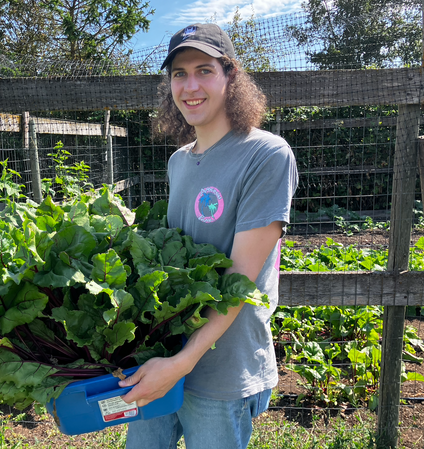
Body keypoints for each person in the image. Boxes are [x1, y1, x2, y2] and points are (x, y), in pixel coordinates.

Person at [119, 23, 298, 449]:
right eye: (179, 74)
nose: (190, 85)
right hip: (163, 356)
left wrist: (181, 364)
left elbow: (239, 281)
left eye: (204, 70)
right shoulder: (179, 161)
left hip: (223, 370)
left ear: (230, 75)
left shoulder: (267, 155)